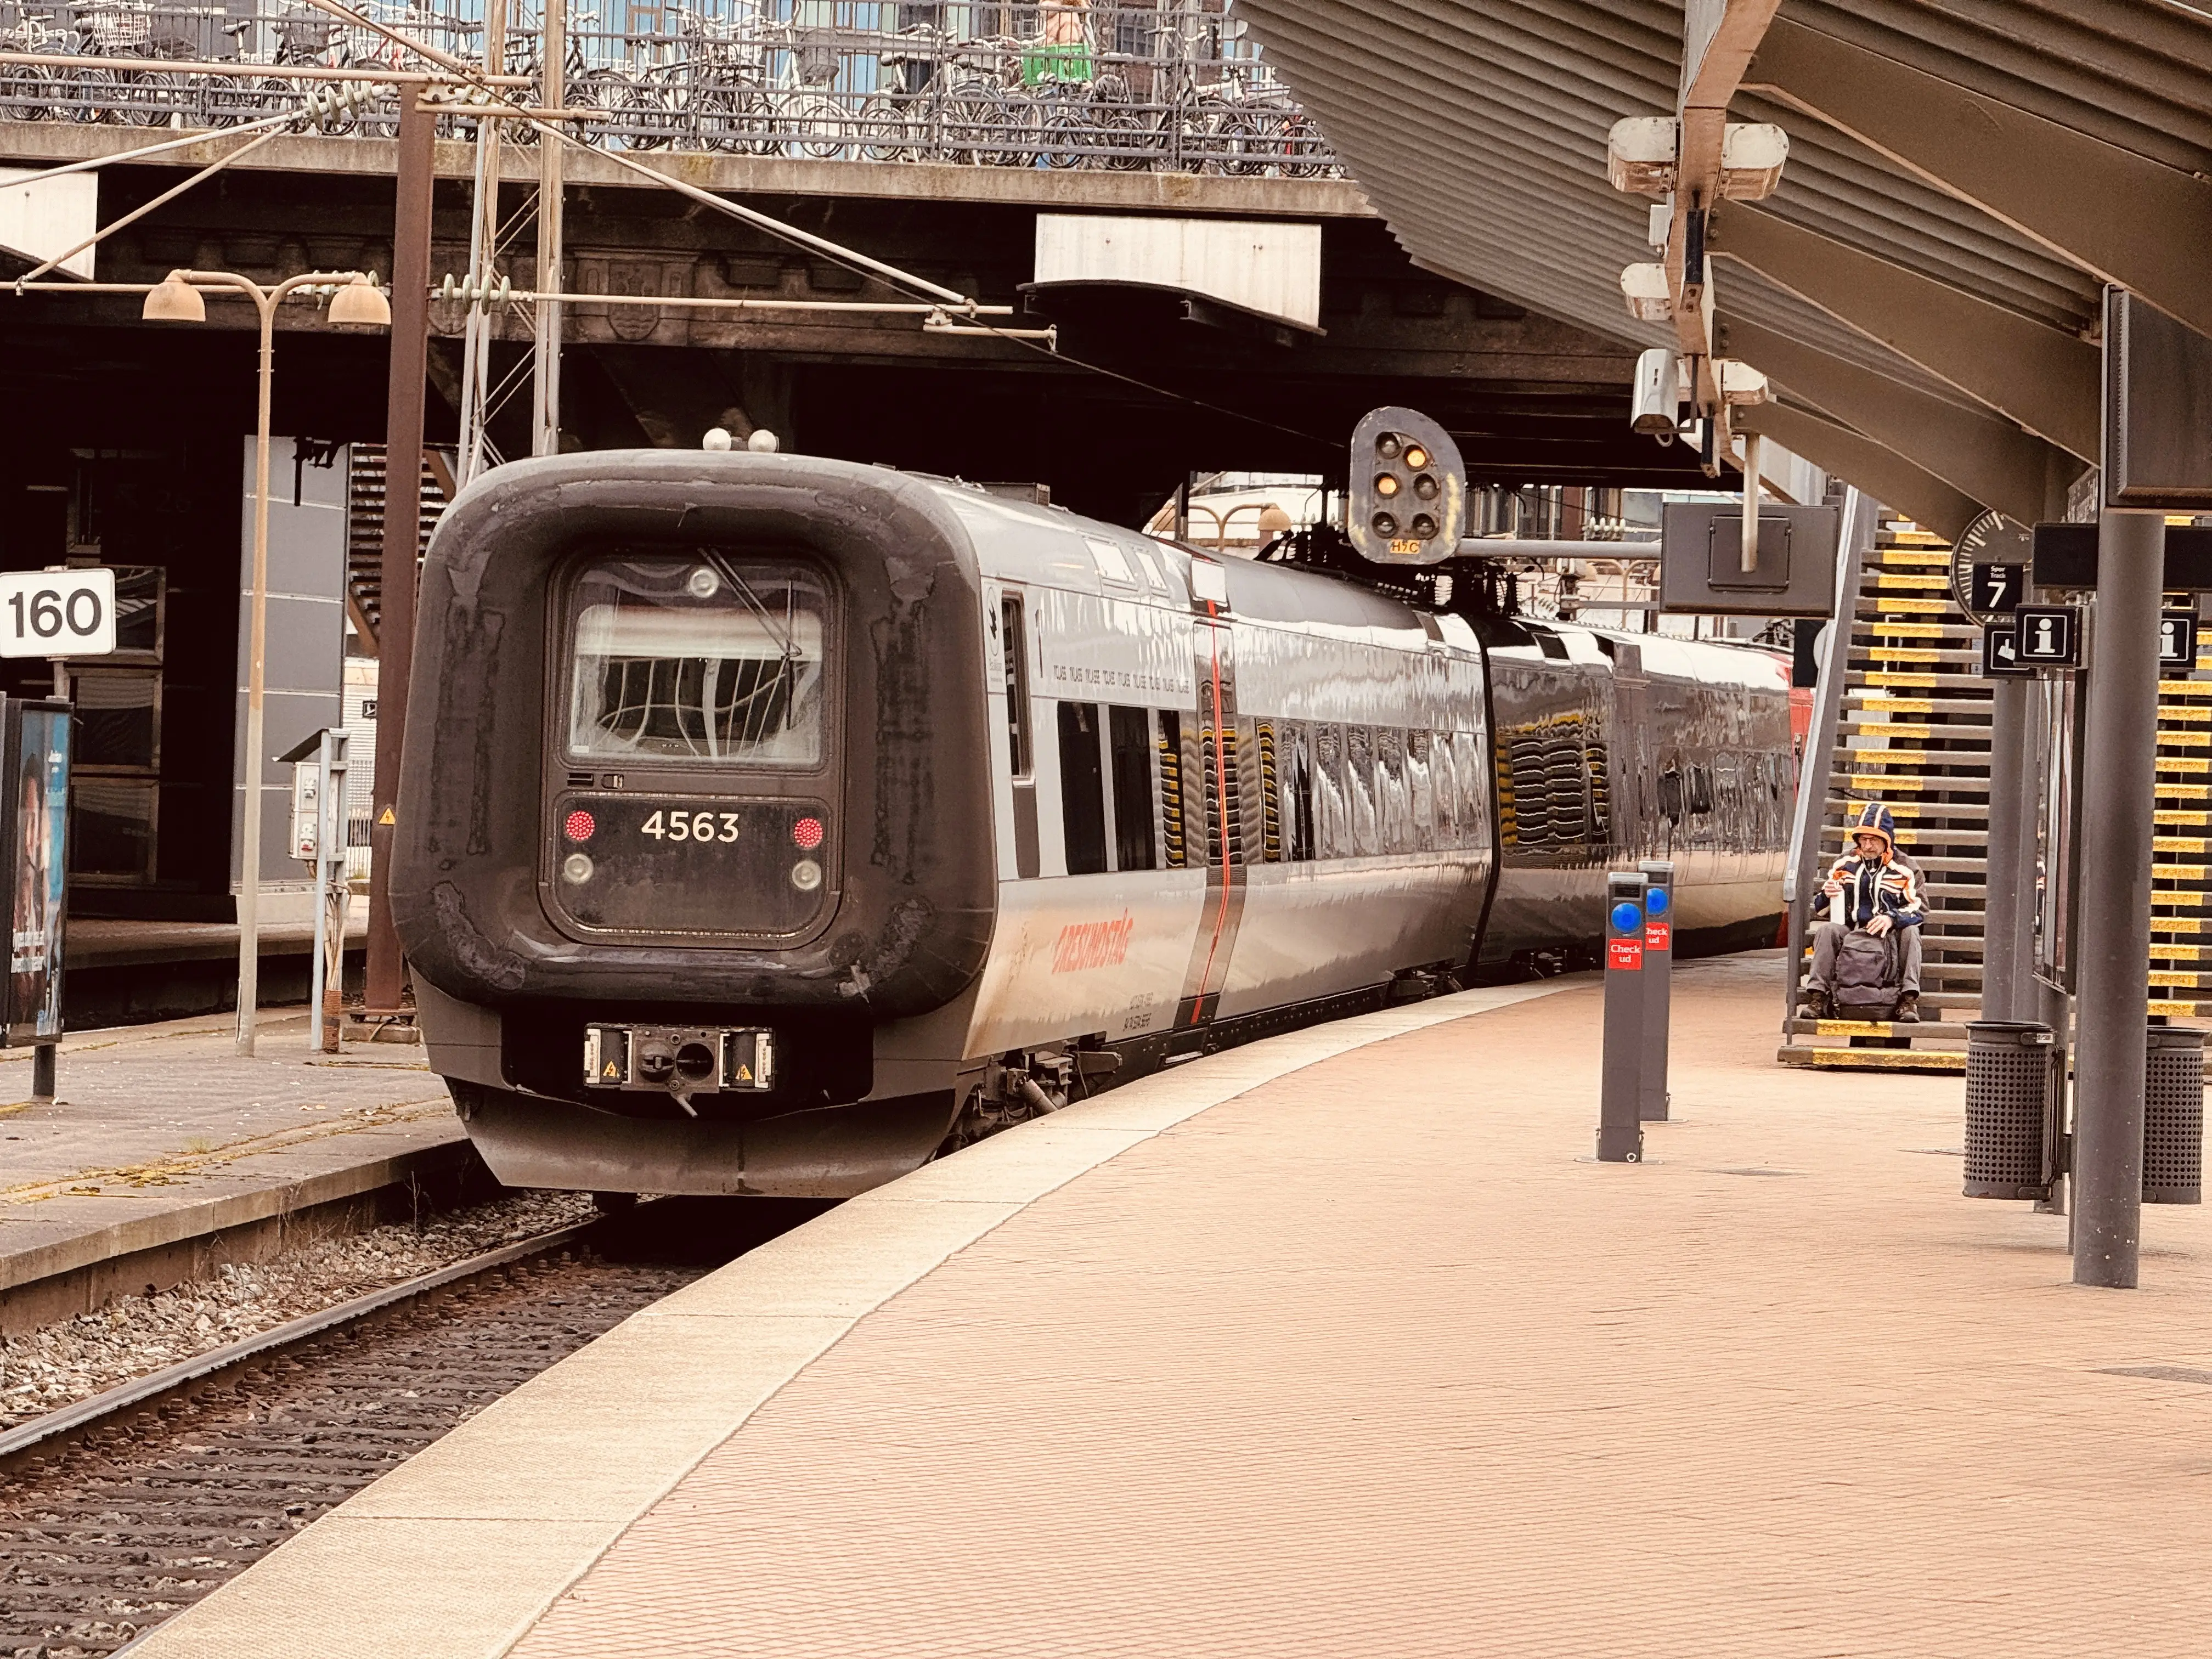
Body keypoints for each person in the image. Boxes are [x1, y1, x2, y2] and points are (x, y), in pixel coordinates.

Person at [1804, 801, 1925, 1023]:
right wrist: (1826, 894)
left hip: (1889, 937)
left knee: (1912, 933)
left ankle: (1908, 1001)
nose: (1867, 846)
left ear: (1887, 840)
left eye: (1874, 840)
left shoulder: (1907, 868)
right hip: (1852, 933)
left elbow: (1919, 909)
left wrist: (1891, 918)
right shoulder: (1845, 863)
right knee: (1827, 930)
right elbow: (1821, 909)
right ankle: (1818, 998)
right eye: (1863, 840)